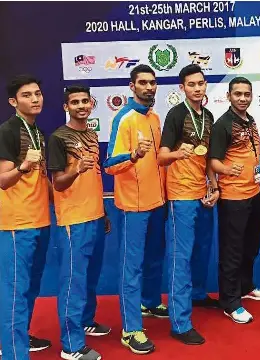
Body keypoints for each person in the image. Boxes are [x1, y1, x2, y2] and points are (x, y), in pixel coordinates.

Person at [104, 64, 168, 355]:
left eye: (152, 82)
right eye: (142, 82)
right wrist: (133, 155)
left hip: (157, 202)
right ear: (132, 86)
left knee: (155, 258)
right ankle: (131, 329)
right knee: (132, 267)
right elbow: (110, 164)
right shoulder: (125, 118)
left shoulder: (155, 117)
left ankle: (150, 302)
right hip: (133, 206)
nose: (149, 87)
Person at [47, 86, 112, 360]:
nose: (81, 106)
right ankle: (71, 346)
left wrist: (103, 211)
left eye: (85, 101)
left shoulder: (91, 135)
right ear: (66, 107)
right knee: (73, 282)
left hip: (95, 216)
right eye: (75, 102)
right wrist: (75, 169)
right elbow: (57, 184)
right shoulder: (58, 138)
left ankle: (86, 320)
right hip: (74, 220)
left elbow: (94, 178)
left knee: (90, 278)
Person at [158, 64, 219, 345]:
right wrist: (177, 154)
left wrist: (213, 186)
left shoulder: (207, 116)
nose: (197, 88)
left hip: (202, 193)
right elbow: (161, 157)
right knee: (179, 258)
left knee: (202, 249)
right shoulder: (176, 114)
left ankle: (196, 294)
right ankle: (180, 323)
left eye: (201, 83)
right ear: (182, 88)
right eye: (191, 84)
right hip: (180, 195)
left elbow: (208, 159)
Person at [209, 77, 260, 324]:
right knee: (232, 251)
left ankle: (245, 286)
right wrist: (225, 170)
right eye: (238, 94)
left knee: (250, 246)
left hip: (254, 193)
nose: (243, 98)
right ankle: (230, 301)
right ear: (229, 96)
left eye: (247, 94)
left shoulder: (250, 119)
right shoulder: (223, 124)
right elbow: (212, 162)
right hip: (233, 197)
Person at [0, 75, 52, 359]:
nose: (35, 99)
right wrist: (22, 166)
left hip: (39, 220)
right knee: (14, 294)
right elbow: (3, 180)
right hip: (16, 225)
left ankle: (19, 340)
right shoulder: (8, 131)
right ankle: (13, 354)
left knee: (30, 288)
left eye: (37, 93)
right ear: (13, 101)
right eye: (27, 95)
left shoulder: (37, 132)